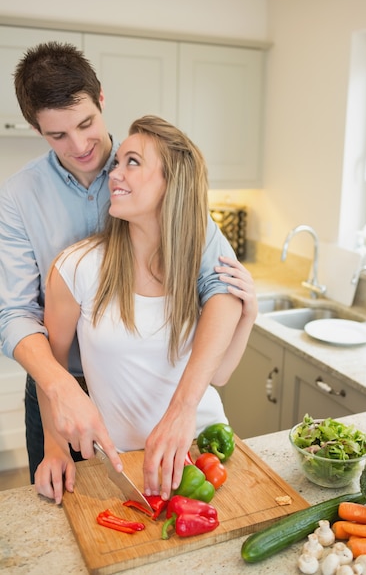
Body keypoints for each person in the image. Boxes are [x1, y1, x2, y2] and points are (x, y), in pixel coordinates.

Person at [0, 42, 257, 488]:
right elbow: (14, 314)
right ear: (36, 129)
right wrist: (60, 389)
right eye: (57, 135)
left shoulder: (146, 173)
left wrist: (184, 406)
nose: (79, 145)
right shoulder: (19, 198)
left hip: (151, 389)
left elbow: (221, 287)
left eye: (86, 124)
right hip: (55, 380)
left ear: (101, 99)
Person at [35, 115, 256, 504]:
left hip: (205, 454)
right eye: (117, 162)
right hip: (127, 465)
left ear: (172, 182)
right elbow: (51, 372)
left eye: (132, 162)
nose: (114, 174)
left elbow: (219, 375)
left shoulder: (198, 266)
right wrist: (54, 448)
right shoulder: (76, 267)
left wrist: (247, 315)